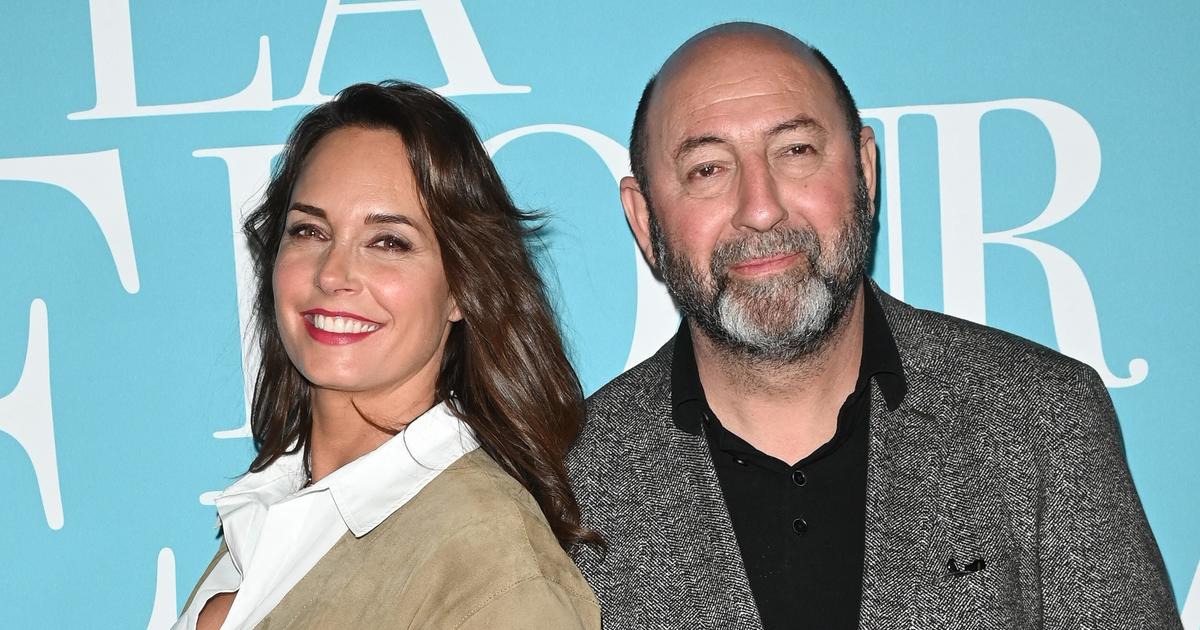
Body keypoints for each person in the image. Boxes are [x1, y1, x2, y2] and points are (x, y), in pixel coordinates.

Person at [567, 22, 1181, 630]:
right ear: (644, 219)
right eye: (707, 169)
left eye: (795, 151)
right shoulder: (570, 484)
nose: (761, 208)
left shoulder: (1041, 418)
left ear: (864, 170)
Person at [175, 81, 600, 629]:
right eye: (309, 231)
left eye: (388, 242)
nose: (333, 274)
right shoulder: (273, 506)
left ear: (461, 288)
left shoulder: (489, 563)